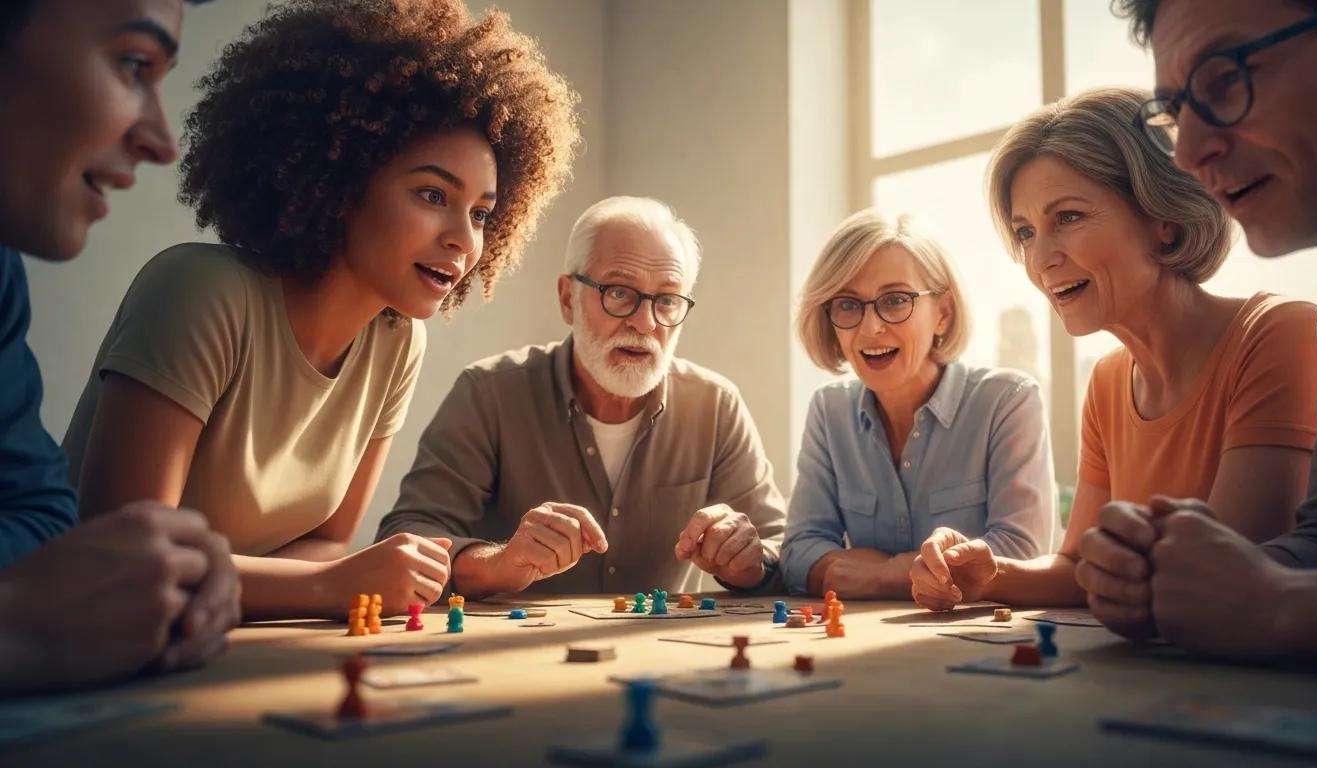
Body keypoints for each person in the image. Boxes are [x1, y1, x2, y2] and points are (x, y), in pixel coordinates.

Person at [63, 0, 580, 620]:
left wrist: (343, 575)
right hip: (81, 649)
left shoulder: (397, 341)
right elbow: (124, 559)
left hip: (230, 643)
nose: (464, 242)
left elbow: (328, 543)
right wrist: (330, 586)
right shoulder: (198, 292)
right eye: (431, 194)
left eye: (481, 213)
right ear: (339, 183)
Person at [1078, 0, 1317, 667]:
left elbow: (1292, 597)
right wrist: (1181, 573)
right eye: (1174, 112)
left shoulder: (1285, 326)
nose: (1190, 153)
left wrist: (1279, 606)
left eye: (1225, 80)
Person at [907, 87, 1317, 612]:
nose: (1041, 259)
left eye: (1069, 218)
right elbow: (1079, 569)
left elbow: (1228, 577)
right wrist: (988, 574)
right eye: (1026, 231)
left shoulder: (1278, 334)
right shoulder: (1107, 381)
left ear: (1162, 218)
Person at [0, 0, 239, 693]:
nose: (165, 140)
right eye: (133, 63)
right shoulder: (197, 287)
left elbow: (42, 516)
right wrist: (15, 622)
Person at [377, 196, 787, 597]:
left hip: (663, 654)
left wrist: (749, 562)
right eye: (620, 293)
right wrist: (501, 562)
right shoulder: (489, 393)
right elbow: (408, 537)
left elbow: (779, 546)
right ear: (566, 298)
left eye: (666, 300)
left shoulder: (716, 404)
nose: (645, 323)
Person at [782, 209, 1055, 599]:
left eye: (895, 300)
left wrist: (885, 573)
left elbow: (1021, 555)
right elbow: (798, 553)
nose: (870, 328)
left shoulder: (1008, 401)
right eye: (847, 304)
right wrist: (909, 574)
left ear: (942, 313)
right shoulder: (829, 411)